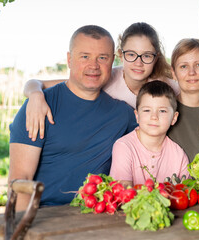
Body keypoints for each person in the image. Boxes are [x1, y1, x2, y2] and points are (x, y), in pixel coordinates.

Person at [8, 25, 137, 210]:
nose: (93, 65)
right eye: (84, 56)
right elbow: (21, 181)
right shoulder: (39, 107)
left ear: (112, 61)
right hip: (44, 215)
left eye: (102, 58)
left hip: (99, 214)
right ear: (69, 59)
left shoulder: (123, 114)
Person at [23, 22, 179, 141]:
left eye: (146, 56)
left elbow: (196, 93)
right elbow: (37, 83)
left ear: (156, 57)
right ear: (120, 54)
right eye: (131, 54)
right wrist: (36, 95)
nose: (138, 63)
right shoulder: (105, 77)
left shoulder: (165, 86)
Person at [109, 81, 189, 187]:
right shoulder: (124, 147)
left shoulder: (179, 156)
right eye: (147, 110)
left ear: (174, 118)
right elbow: (123, 193)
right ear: (137, 116)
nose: (154, 117)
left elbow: (185, 194)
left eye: (162, 111)